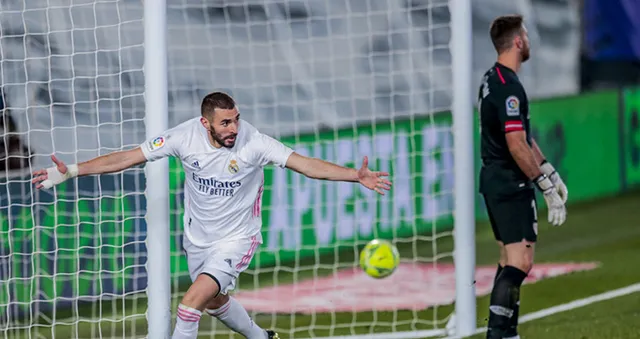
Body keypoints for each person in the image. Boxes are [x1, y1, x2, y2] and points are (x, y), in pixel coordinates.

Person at [32, 92, 393, 339]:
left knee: (189, 306)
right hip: (198, 240)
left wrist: (353, 175)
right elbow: (127, 157)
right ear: (206, 124)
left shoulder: (254, 143)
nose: (233, 128)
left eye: (236, 119)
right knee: (215, 301)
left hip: (238, 239)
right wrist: (73, 170)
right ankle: (259, 336)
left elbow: (306, 165)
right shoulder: (182, 137)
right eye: (225, 123)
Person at [477, 15, 568, 339]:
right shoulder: (508, 87)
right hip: (508, 181)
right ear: (518, 42)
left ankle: (505, 332)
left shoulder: (493, 78)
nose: (528, 40)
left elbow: (523, 137)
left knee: (509, 259)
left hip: (496, 180)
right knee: (520, 262)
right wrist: (542, 185)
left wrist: (548, 170)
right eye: (526, 35)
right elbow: (515, 144)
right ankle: (500, 333)